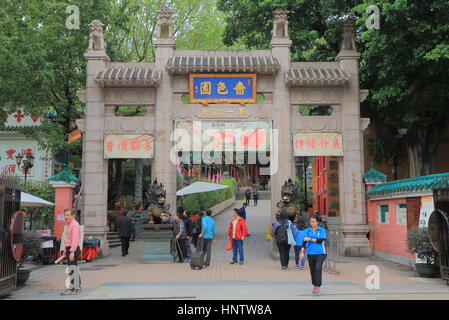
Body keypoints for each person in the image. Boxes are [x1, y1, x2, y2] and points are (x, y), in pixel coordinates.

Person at [300, 215, 327, 294]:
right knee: (312, 270)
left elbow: (320, 240)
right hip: (310, 253)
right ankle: (314, 284)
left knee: (318, 268)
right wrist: (302, 252)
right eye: (311, 222)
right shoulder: (307, 230)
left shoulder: (321, 230)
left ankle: (317, 285)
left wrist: (310, 239)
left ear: (317, 222)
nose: (312, 223)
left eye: (313, 222)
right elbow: (304, 241)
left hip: (320, 253)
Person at [61, 208, 81, 295]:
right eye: (65, 215)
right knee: (73, 268)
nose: (66, 217)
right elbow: (68, 239)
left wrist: (72, 252)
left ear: (73, 215)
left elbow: (75, 240)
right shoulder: (70, 224)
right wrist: (66, 249)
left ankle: (74, 288)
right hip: (70, 248)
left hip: (74, 249)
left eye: (68, 215)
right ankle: (75, 287)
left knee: (73, 269)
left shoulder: (75, 225)